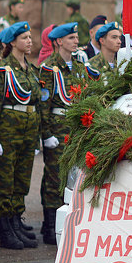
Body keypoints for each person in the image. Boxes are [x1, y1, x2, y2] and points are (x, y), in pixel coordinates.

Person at [0, 22, 41, 249]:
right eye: (24, 38)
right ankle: (5, 224)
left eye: (30, 37)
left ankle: (16, 220)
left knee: (21, 179)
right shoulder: (2, 70)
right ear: (12, 42)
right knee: (4, 179)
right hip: (9, 130)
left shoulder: (30, 68)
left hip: (28, 131)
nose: (29, 41)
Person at [38, 22, 91, 245]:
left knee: (74, 175)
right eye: (71, 38)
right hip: (58, 129)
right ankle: (49, 225)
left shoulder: (79, 67)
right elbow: (44, 104)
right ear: (59, 41)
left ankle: (67, 220)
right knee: (54, 176)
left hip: (76, 129)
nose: (76, 41)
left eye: (76, 37)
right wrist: (47, 133)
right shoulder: (49, 68)